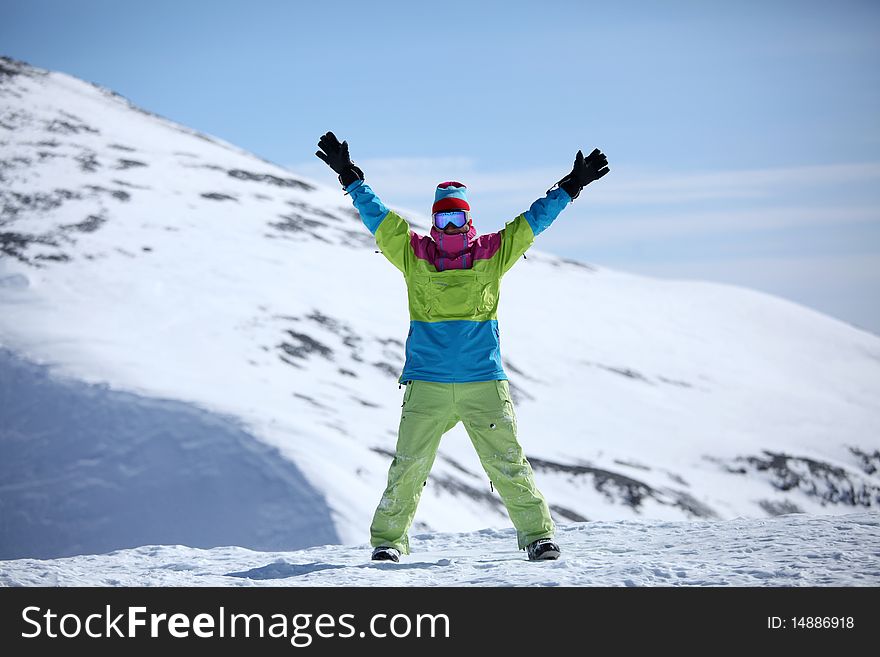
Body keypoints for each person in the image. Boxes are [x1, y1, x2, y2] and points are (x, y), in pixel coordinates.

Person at [315, 132, 609, 562]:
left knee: (508, 462)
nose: (450, 228)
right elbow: (377, 217)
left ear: (468, 221)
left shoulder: (493, 252)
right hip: (428, 384)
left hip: (482, 382)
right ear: (433, 224)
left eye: (457, 220)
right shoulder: (413, 254)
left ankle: (539, 537)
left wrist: (570, 185)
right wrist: (349, 175)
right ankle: (388, 543)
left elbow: (533, 221)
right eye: (443, 221)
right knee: (408, 466)